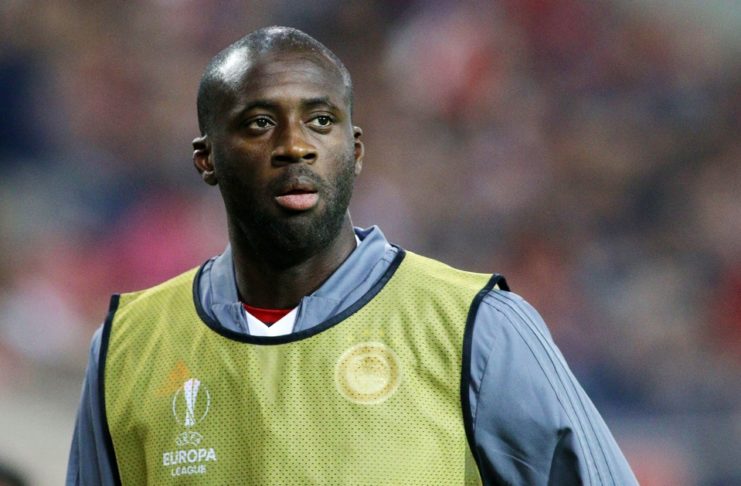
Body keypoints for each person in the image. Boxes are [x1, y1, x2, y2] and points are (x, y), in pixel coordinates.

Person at [67, 26, 636, 485]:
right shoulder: (127, 348)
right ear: (206, 158)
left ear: (355, 151)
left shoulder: (477, 328)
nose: (295, 145)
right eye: (260, 123)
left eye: (321, 121)